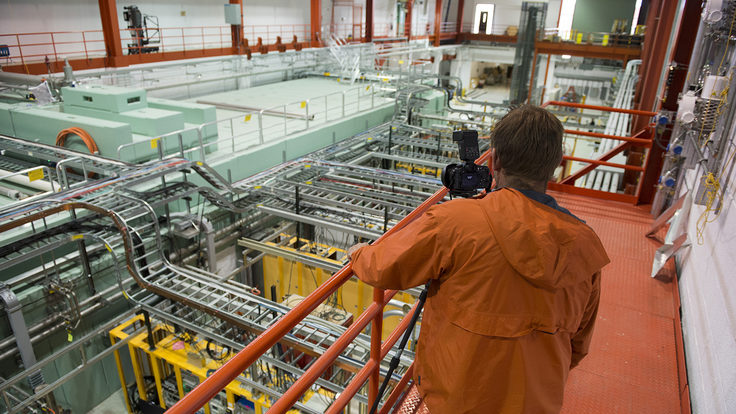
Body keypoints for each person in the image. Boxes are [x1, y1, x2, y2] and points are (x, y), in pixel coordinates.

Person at [347, 105, 610, 414]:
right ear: (556, 166)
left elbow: (382, 267)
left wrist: (357, 253)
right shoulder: (584, 246)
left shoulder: (456, 221)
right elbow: (577, 347)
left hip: (454, 402)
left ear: (494, 159)